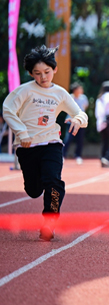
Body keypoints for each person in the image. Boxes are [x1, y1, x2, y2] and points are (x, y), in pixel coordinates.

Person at [2, 46, 88, 241]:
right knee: (33, 191)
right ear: (31, 74)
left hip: (51, 143)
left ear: (54, 70)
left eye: (47, 72)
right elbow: (7, 110)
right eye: (38, 74)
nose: (43, 77)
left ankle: (49, 222)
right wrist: (22, 133)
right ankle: (39, 183)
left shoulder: (60, 93)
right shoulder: (24, 91)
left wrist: (78, 120)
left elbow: (81, 113)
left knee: (54, 183)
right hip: (27, 146)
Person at [62, 82, 89, 164]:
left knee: (80, 139)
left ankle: (78, 155)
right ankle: (63, 155)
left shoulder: (83, 98)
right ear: (75, 90)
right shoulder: (70, 97)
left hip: (81, 122)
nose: (81, 90)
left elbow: (85, 107)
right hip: (71, 122)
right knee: (68, 138)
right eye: (79, 88)